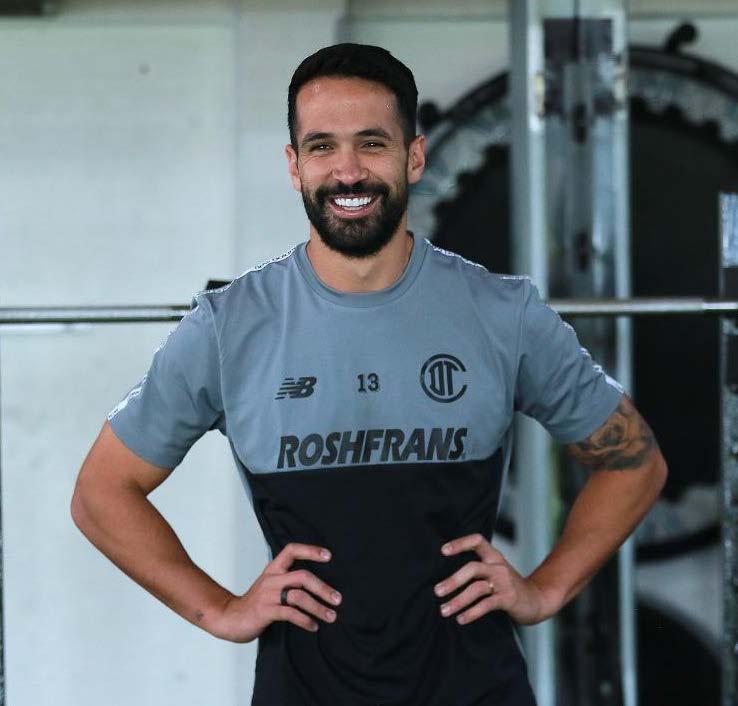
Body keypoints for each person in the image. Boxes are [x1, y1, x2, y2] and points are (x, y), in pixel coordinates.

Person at [71, 43, 668, 706]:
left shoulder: (504, 313)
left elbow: (635, 464)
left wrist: (545, 590)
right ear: (294, 166)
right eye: (322, 147)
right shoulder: (228, 326)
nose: (348, 170)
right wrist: (221, 611)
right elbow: (102, 492)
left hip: (475, 689)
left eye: (372, 144)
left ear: (414, 156)